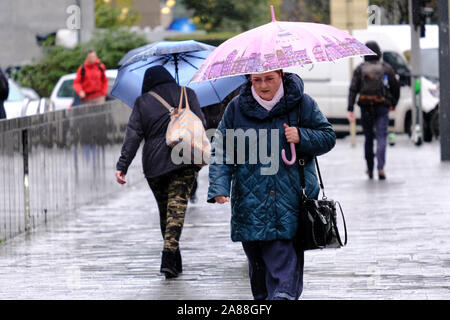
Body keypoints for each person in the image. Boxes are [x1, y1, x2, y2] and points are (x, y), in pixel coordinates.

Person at [207, 70, 336, 300]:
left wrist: (301, 136)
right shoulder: (236, 108)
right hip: (249, 203)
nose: (263, 85)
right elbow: (221, 149)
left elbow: (328, 137)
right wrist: (219, 186)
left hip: (290, 202)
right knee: (260, 282)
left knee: (283, 283)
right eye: (257, 80)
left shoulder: (301, 103)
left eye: (269, 79)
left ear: (281, 74)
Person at [115, 65, 206, 279]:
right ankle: (170, 257)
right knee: (177, 208)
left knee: (166, 211)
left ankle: (171, 259)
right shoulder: (187, 93)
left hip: (154, 164)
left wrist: (122, 166)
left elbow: (133, 135)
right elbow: (201, 123)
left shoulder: (142, 102)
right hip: (185, 157)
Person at [347, 41, 400, 180]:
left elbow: (353, 89)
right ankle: (381, 167)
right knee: (382, 136)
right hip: (382, 106)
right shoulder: (386, 68)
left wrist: (350, 108)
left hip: (366, 107)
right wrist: (393, 102)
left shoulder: (360, 69)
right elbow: (395, 87)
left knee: (368, 138)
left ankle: (370, 169)